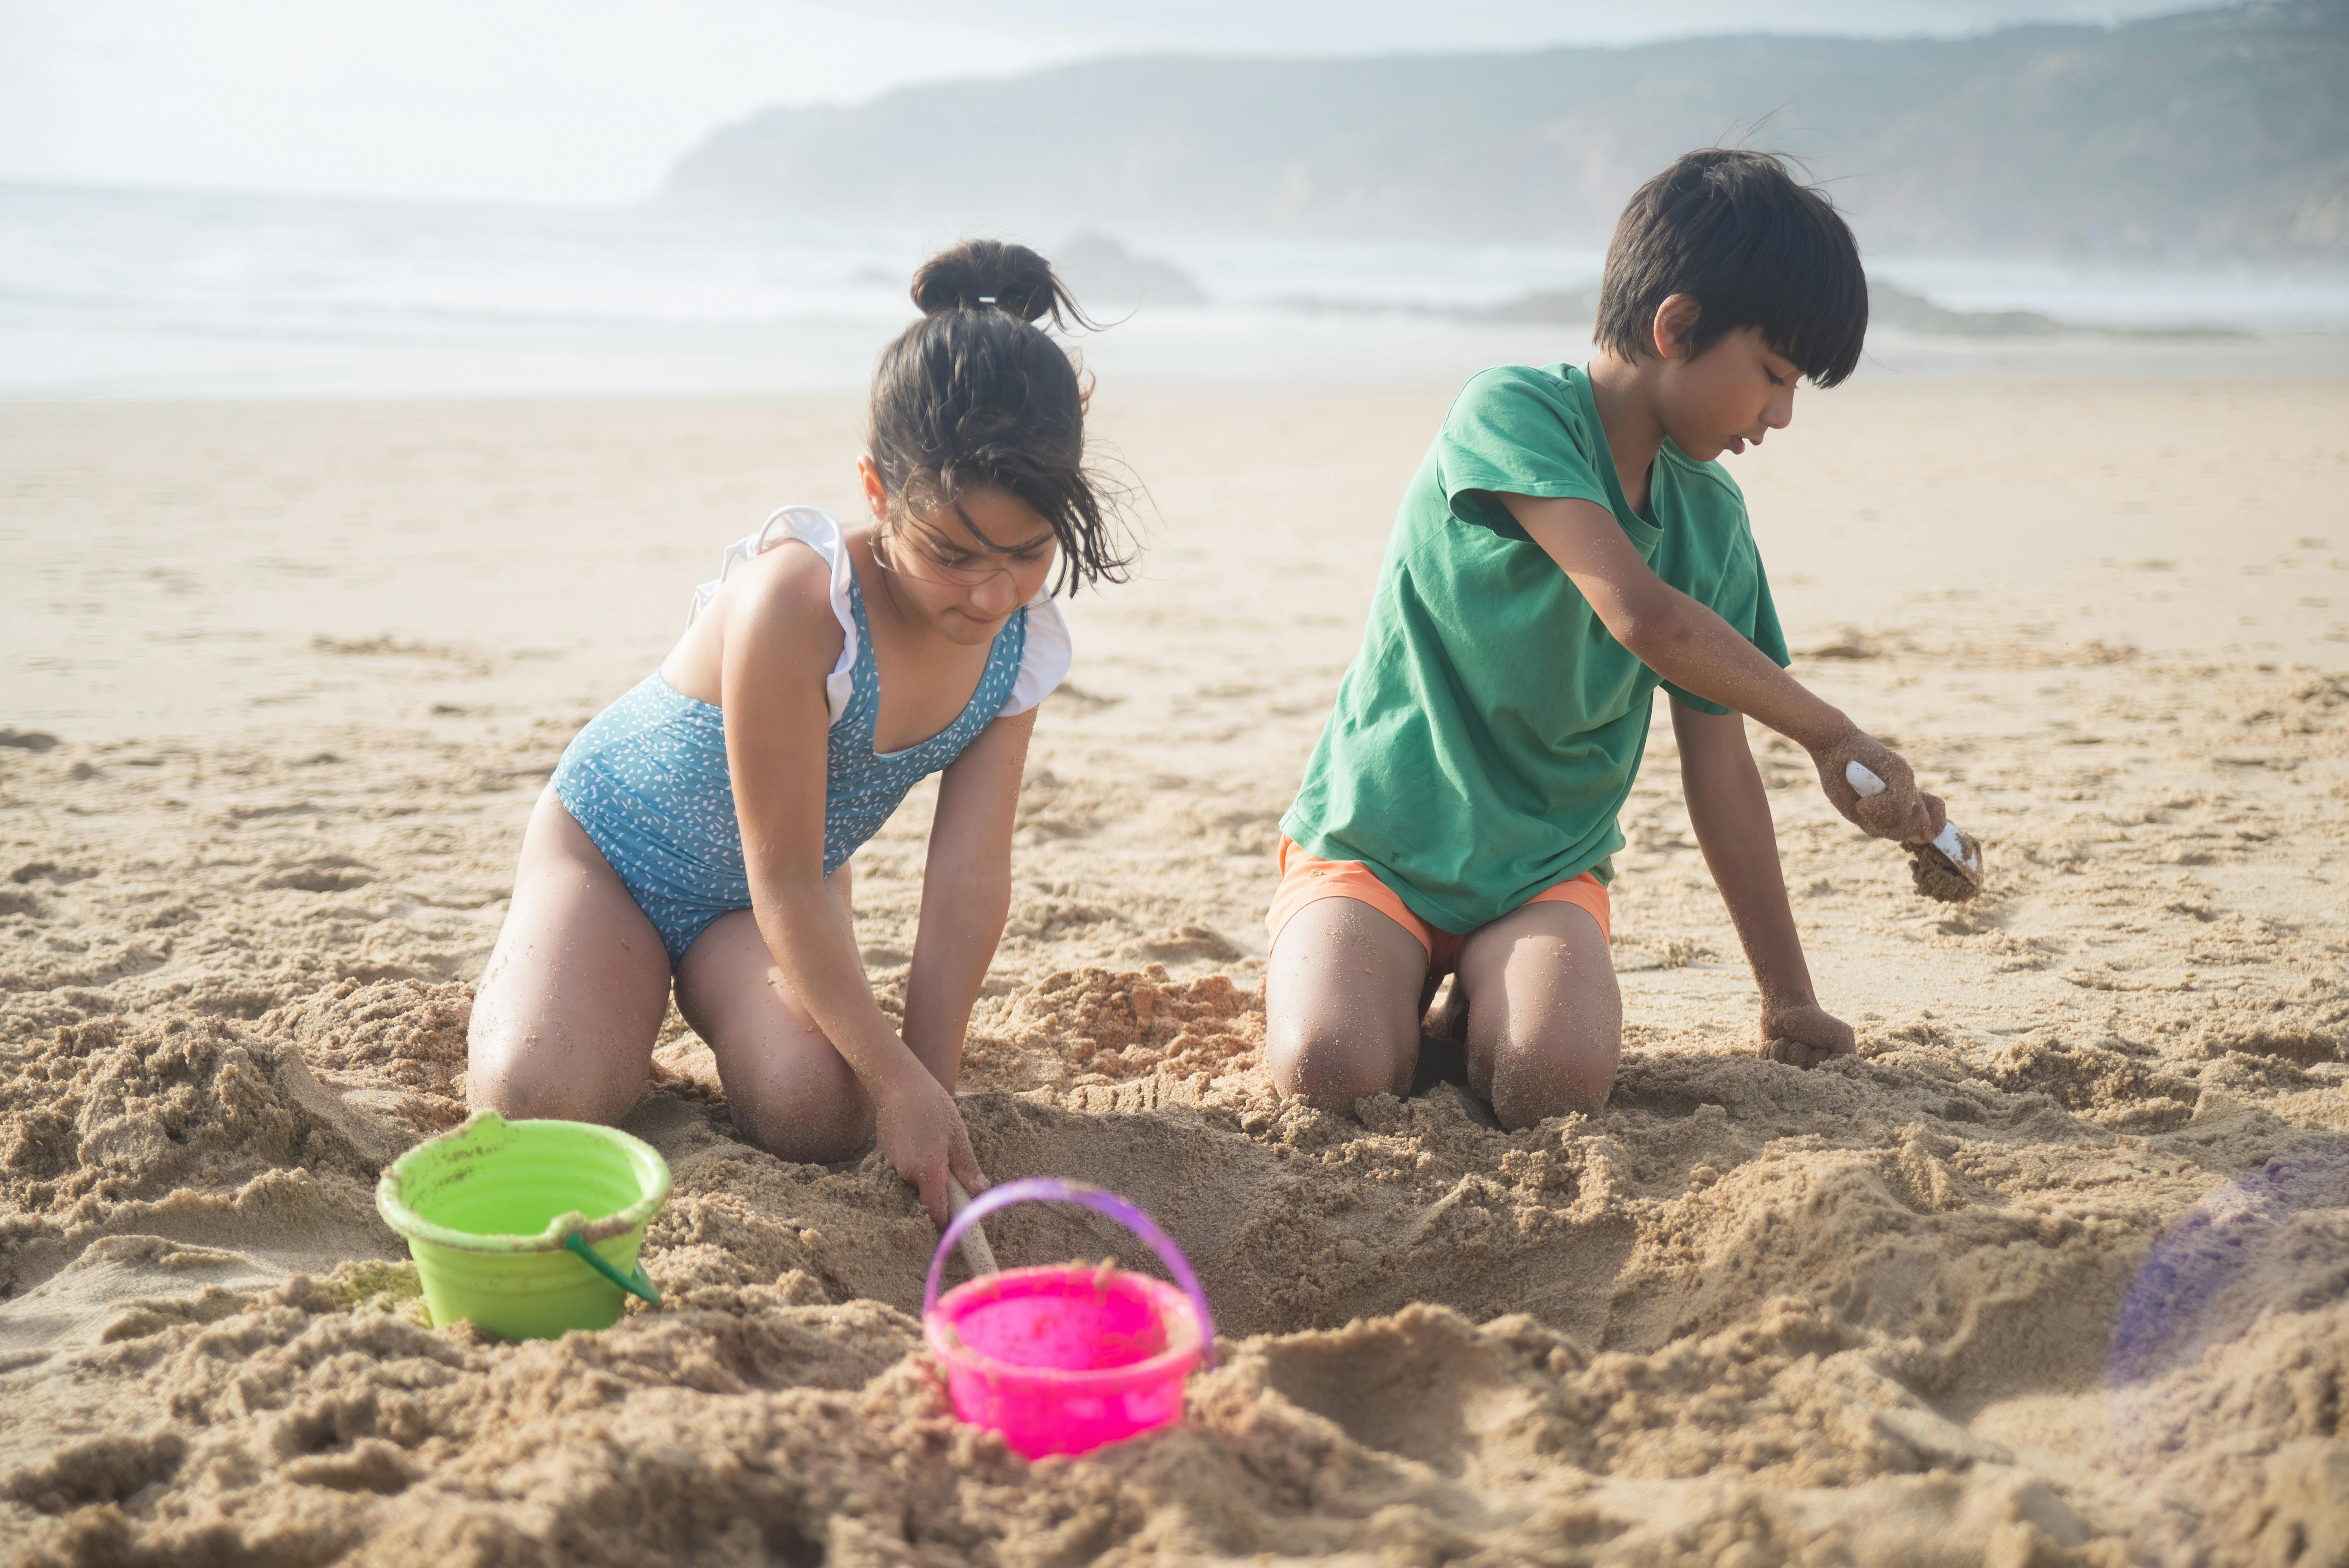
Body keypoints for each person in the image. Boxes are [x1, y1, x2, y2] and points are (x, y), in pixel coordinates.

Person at [1267, 148, 1950, 1131]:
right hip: (1375, 846)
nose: (1782, 413)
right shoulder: (1509, 412)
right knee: (1328, 1071)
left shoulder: (1711, 520)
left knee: (1553, 1086)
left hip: (1542, 874)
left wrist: (1785, 993)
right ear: (1673, 327)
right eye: (1770, 374)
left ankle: (1477, 999)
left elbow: (1718, 769)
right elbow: (1640, 614)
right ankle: (1380, 972)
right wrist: (1830, 732)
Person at [468, 241, 1128, 1222]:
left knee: (823, 1115)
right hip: (615, 850)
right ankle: (589, 971)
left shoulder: (1017, 646)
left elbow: (966, 879)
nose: (991, 593)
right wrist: (897, 1076)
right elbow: (780, 873)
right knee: (544, 1100)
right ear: (876, 492)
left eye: (1025, 554)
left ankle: (684, 990)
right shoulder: (800, 600)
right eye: (951, 553)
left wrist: (926, 1088)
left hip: (767, 899)